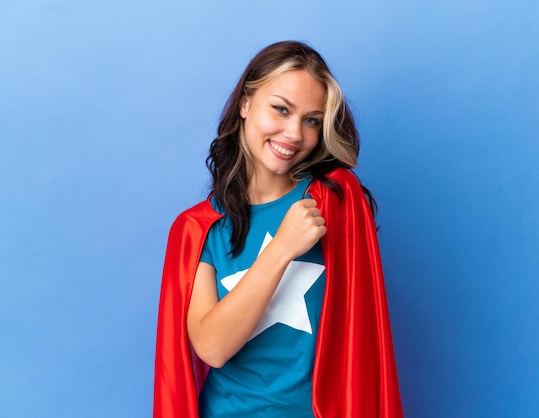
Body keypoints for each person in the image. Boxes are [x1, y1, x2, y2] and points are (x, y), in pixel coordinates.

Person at [154, 41, 402, 417]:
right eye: (281, 109)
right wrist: (282, 248)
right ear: (246, 103)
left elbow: (364, 340)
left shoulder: (334, 200)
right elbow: (212, 348)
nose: (293, 134)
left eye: (311, 120)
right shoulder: (198, 229)